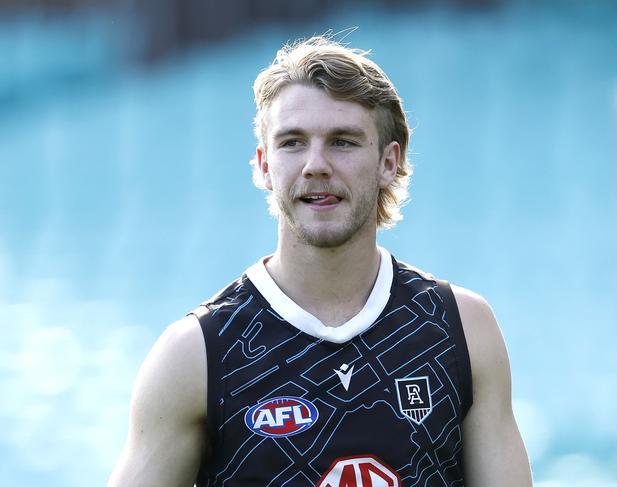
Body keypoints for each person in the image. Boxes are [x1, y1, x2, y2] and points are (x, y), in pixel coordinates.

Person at [108, 35, 533, 487]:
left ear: (389, 162)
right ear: (264, 165)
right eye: (292, 143)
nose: (315, 165)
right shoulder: (197, 355)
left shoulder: (461, 329)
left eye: (342, 142)